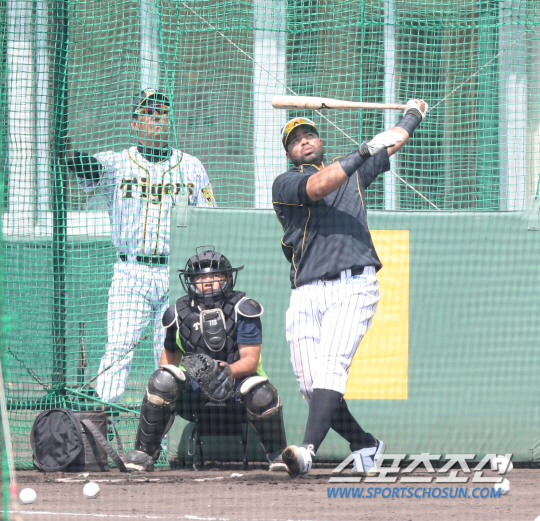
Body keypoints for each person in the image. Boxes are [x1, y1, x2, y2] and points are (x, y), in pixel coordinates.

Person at [271, 99, 428, 478]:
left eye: (309, 135)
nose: (304, 141)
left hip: (353, 285)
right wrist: (361, 152)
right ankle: (364, 443)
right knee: (310, 387)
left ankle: (307, 451)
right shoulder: (286, 182)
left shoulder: (355, 170)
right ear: (290, 153)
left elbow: (393, 141)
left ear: (320, 140)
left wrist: (413, 115)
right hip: (305, 293)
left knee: (331, 367)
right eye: (295, 140)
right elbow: (318, 186)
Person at [66, 89, 216, 403]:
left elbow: (210, 218)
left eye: (162, 112)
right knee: (120, 345)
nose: (156, 119)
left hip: (176, 273)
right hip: (130, 272)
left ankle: (166, 422)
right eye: (148, 113)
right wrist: (68, 152)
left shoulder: (191, 166)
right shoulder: (116, 163)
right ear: (134, 123)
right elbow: (87, 167)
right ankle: (103, 413)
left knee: (171, 352)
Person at [123, 246, 288, 472]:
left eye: (215, 276)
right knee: (163, 379)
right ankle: (144, 453)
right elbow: (167, 361)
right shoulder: (178, 313)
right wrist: (181, 376)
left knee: (262, 392)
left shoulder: (243, 308)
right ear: (191, 281)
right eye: (201, 277)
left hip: (235, 392)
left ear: (228, 278)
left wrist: (225, 372)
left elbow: (250, 360)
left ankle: (278, 457)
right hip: (195, 395)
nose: (208, 282)